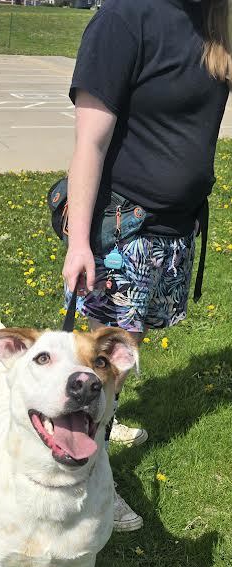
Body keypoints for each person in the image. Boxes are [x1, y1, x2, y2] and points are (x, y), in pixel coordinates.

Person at [62, 0, 230, 531]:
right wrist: (80, 242)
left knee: (121, 353)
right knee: (104, 358)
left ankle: (101, 426)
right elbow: (90, 141)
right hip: (124, 223)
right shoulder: (124, 18)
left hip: (174, 230)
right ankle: (92, 483)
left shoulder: (216, 22)